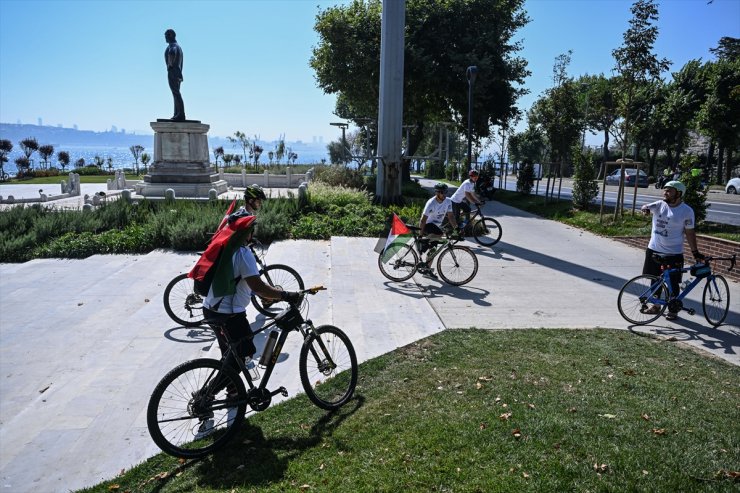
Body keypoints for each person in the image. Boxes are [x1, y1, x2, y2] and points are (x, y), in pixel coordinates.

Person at [202, 211, 301, 376]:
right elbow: (258, 287)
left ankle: (233, 392)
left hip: (211, 308)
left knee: (229, 356)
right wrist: (285, 295)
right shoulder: (243, 253)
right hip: (229, 315)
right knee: (243, 354)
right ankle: (207, 395)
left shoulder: (223, 247)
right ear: (247, 233)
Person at [640, 180, 704, 320]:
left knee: (673, 282)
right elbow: (646, 206)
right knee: (654, 279)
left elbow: (689, 232)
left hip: (673, 253)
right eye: (665, 190)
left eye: (669, 191)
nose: (665, 193)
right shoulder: (659, 205)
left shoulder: (686, 211)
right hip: (654, 250)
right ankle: (655, 306)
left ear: (679, 193)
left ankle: (673, 309)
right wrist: (645, 209)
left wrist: (695, 252)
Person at [418, 183, 459, 272]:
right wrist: (420, 236)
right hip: (427, 225)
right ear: (437, 193)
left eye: (445, 192)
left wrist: (457, 228)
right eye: (442, 192)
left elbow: (451, 216)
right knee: (440, 233)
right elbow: (423, 220)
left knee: (433, 250)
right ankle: (423, 246)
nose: (444, 194)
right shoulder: (431, 203)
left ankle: (426, 269)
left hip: (436, 227)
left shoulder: (448, 201)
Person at [164, 29, 186, 122]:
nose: (165, 37)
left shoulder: (173, 46)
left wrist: (170, 65)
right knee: (175, 93)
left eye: (166, 35)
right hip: (178, 73)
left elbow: (172, 53)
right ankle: (177, 113)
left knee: (176, 93)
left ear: (171, 36)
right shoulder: (179, 47)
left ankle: (180, 114)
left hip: (173, 72)